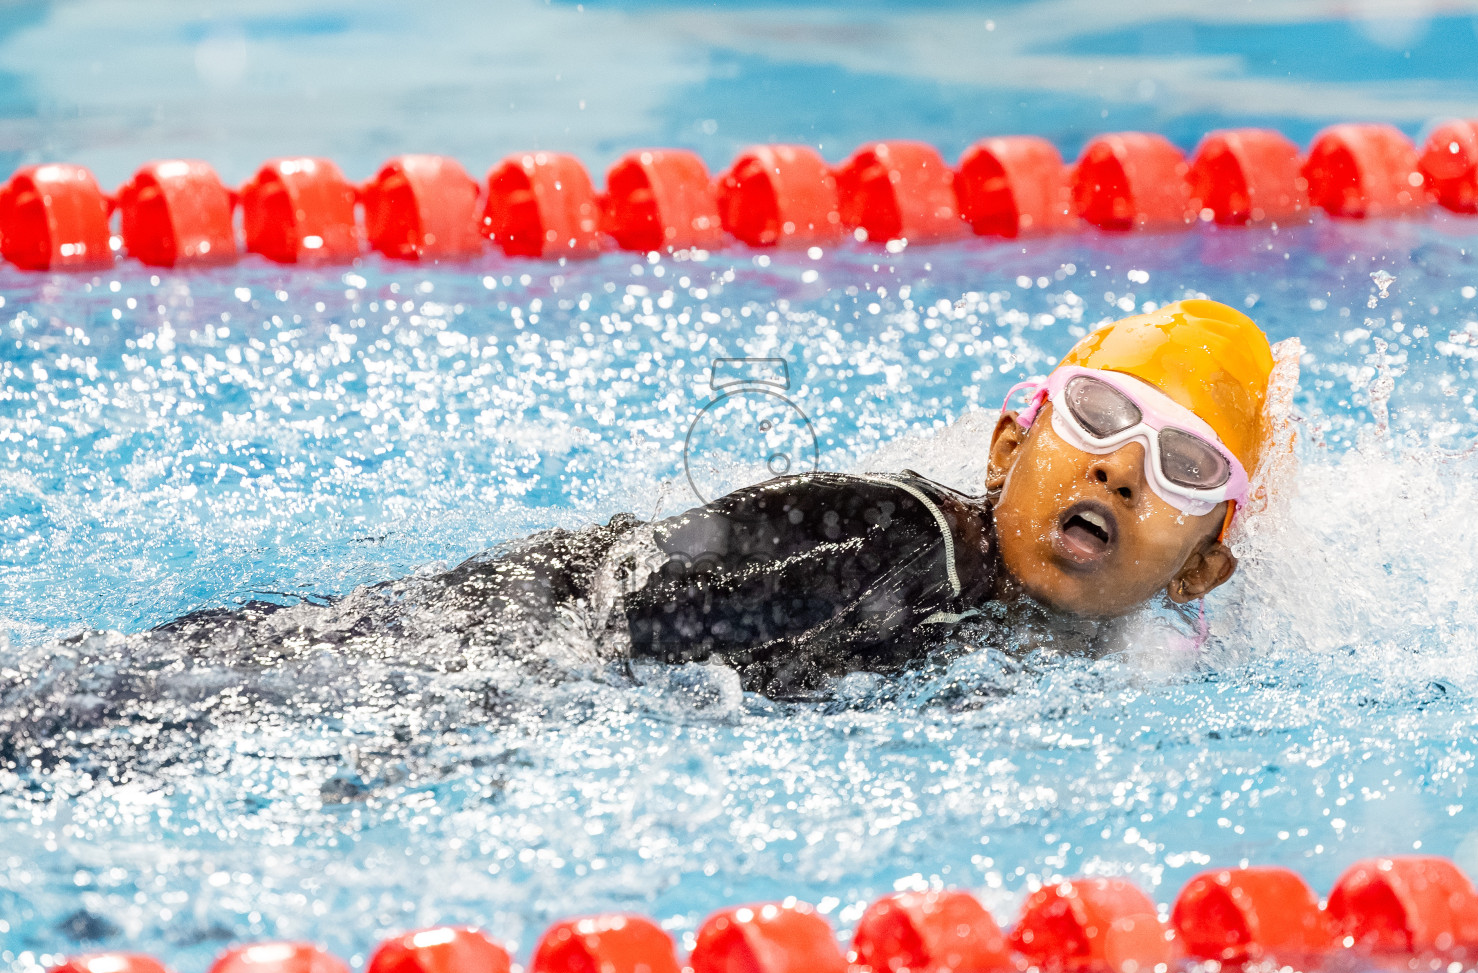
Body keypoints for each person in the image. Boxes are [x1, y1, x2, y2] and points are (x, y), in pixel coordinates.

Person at [152, 298, 1277, 698]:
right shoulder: (897, 536)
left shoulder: (1005, 619)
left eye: (1183, 466)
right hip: (419, 655)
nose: (1123, 468)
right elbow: (606, 623)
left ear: (1199, 566)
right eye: (1097, 417)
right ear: (1005, 448)